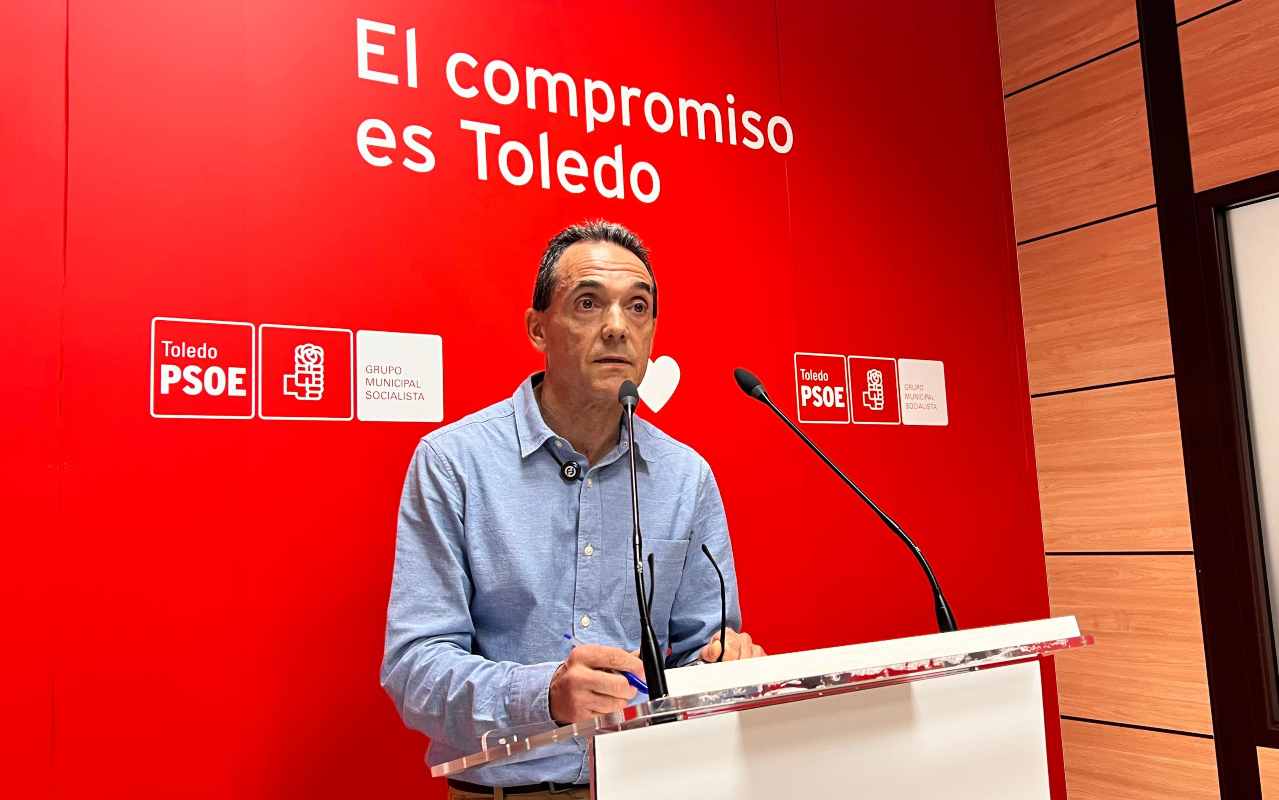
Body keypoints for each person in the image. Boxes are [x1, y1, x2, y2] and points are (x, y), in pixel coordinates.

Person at [380, 220, 764, 800]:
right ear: (538, 328)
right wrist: (545, 694)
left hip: (658, 783)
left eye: (638, 308)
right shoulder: (454, 463)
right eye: (588, 303)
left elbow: (701, 649)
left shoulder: (687, 476)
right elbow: (415, 669)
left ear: (653, 332)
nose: (617, 327)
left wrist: (724, 663)